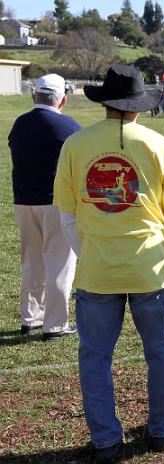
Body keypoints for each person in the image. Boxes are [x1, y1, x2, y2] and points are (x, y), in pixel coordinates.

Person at [53, 65, 164, 462]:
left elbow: (67, 218)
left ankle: (106, 441)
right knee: (162, 352)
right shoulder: (160, 145)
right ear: (137, 107)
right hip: (152, 267)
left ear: (105, 103)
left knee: (95, 358)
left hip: (97, 271)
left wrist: (90, 253)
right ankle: (163, 431)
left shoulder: (75, 145)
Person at [8, 74, 81, 341]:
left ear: (33, 97)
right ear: (62, 100)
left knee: (32, 262)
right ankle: (55, 324)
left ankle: (31, 318)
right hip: (55, 202)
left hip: (24, 201)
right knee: (59, 264)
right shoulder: (68, 125)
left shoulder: (20, 123)